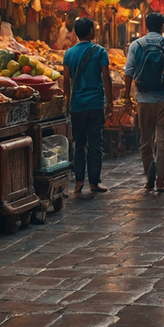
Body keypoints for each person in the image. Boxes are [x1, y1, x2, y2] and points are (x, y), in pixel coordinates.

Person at [124, 13, 164, 192]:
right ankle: (160, 181)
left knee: (145, 140)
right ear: (163, 26)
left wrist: (127, 96)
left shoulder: (136, 45)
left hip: (143, 99)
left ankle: (149, 179)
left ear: (146, 25)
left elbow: (129, 71)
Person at [63, 18, 113, 195]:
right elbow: (106, 78)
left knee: (79, 144)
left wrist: (67, 102)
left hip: (77, 106)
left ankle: (78, 183)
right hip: (95, 104)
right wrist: (110, 103)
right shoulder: (100, 52)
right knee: (95, 144)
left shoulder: (68, 53)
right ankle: (94, 182)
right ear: (91, 31)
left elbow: (66, 81)